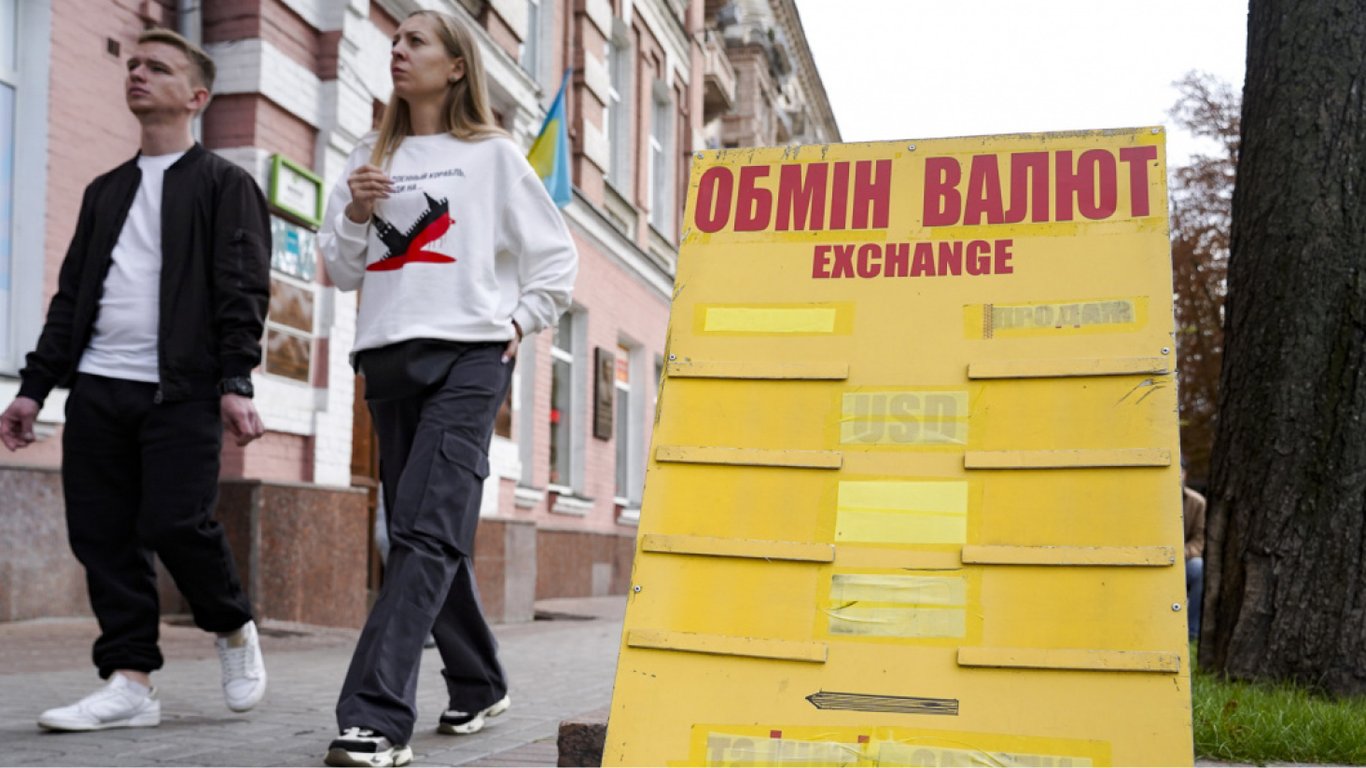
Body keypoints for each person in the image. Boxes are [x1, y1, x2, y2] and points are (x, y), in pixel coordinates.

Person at [318, 9, 577, 767]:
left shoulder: (492, 155)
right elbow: (342, 270)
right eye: (395, 40)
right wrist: (358, 211)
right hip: (386, 359)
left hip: (470, 355)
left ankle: (374, 717)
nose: (397, 50)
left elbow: (554, 260)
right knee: (424, 528)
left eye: (416, 41)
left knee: (425, 530)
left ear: (457, 65)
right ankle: (479, 681)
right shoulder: (369, 153)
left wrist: (519, 321)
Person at [0, 28, 270, 730]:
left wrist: (236, 379)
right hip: (99, 386)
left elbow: (242, 289)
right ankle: (129, 682)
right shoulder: (106, 190)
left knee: (176, 522)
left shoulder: (225, 185)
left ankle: (232, 626)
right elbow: (71, 298)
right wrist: (33, 387)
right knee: (103, 535)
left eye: (159, 67)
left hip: (180, 389)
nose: (138, 74)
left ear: (197, 96)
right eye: (134, 64)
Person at [1182, 462, 1207, 641]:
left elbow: (1199, 540)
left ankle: (1192, 632)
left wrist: (1181, 554)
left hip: (1183, 560)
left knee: (1199, 568)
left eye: (1180, 471)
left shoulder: (1197, 502)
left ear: (1186, 474)